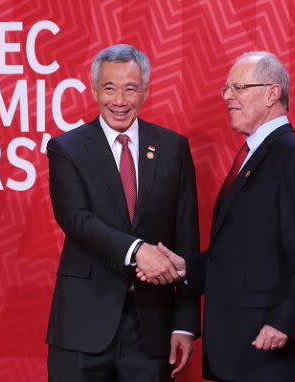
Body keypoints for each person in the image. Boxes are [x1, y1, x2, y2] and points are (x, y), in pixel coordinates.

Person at [141, 51, 295, 382]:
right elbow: (242, 252)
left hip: (276, 355)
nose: (228, 97)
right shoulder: (254, 155)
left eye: (239, 87)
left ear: (273, 93)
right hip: (245, 351)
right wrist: (186, 268)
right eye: (226, 89)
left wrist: (282, 322)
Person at [45, 44, 200, 382]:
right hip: (82, 325)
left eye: (130, 88)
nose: (119, 100)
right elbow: (75, 219)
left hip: (151, 327)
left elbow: (185, 236)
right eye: (109, 88)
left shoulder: (173, 148)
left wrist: (185, 324)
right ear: (94, 89)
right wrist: (137, 251)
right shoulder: (66, 148)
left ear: (145, 90)